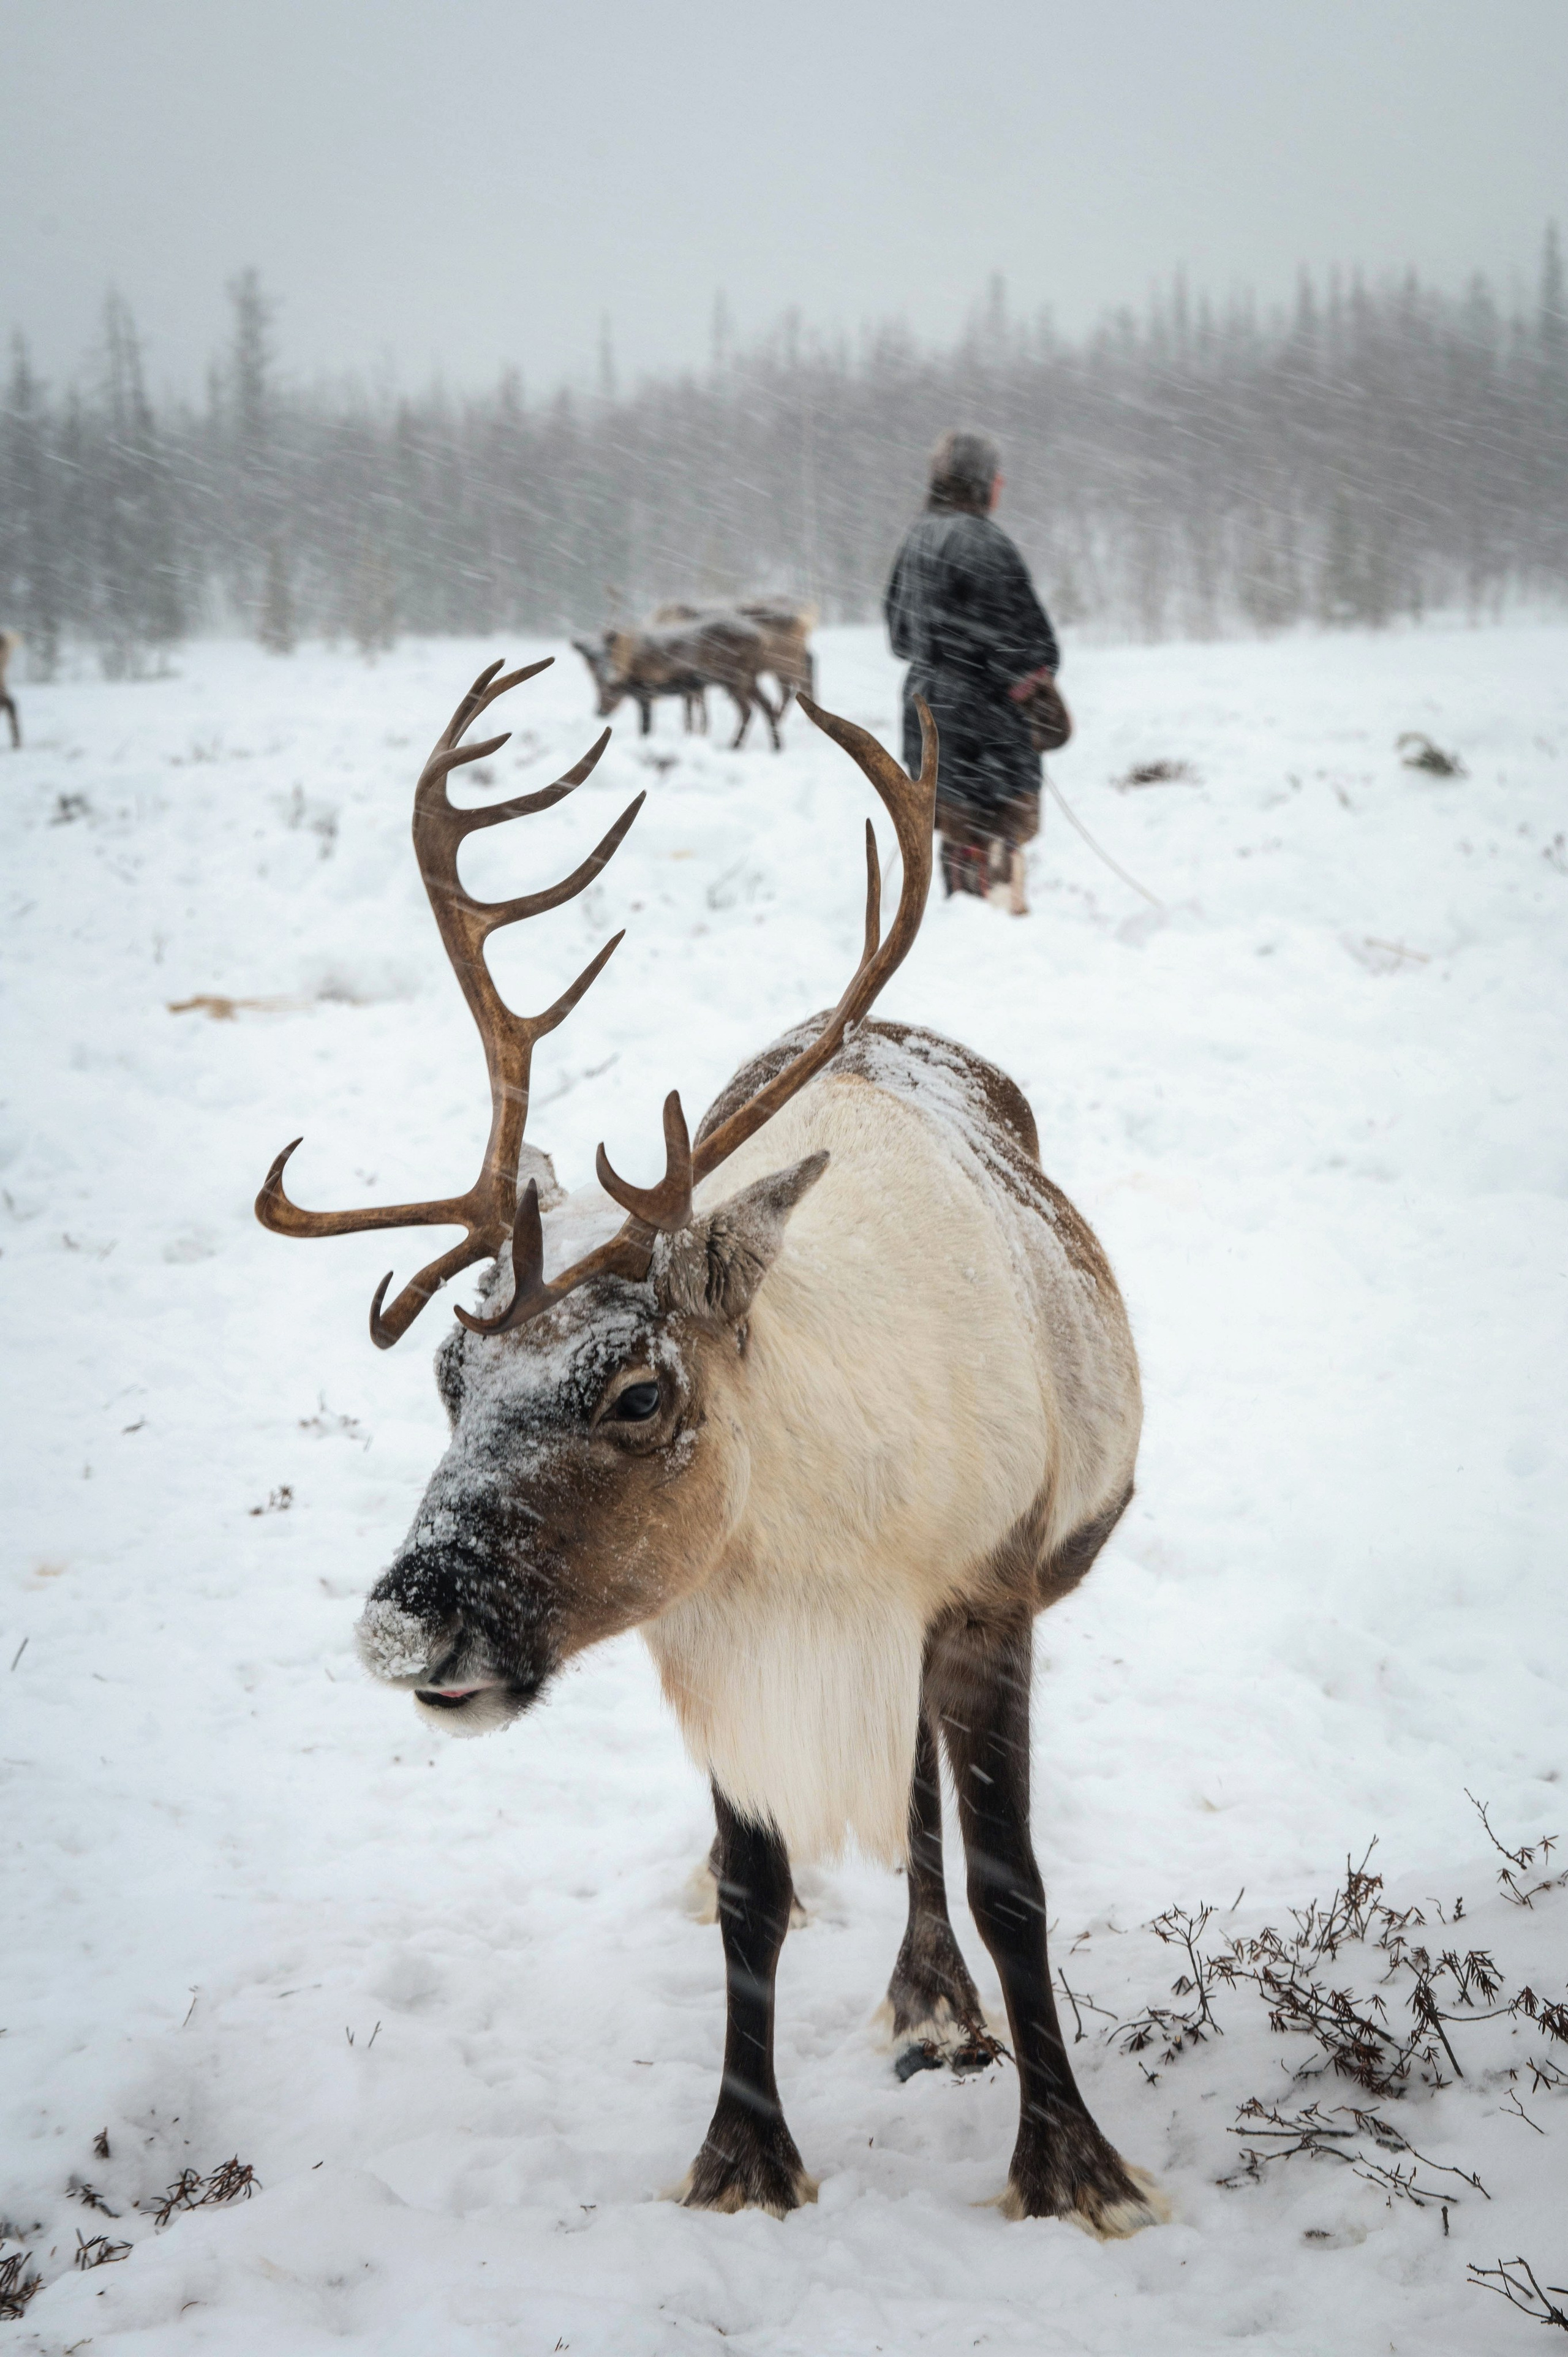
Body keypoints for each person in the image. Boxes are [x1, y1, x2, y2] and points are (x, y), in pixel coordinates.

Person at [884, 431, 1060, 913]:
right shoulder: (983, 542)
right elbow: (1026, 645)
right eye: (998, 477)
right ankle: (997, 939)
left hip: (928, 713)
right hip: (987, 726)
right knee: (996, 833)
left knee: (958, 831)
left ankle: (964, 930)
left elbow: (899, 636)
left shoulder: (919, 536)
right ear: (983, 483)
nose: (1002, 485)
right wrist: (1036, 688)